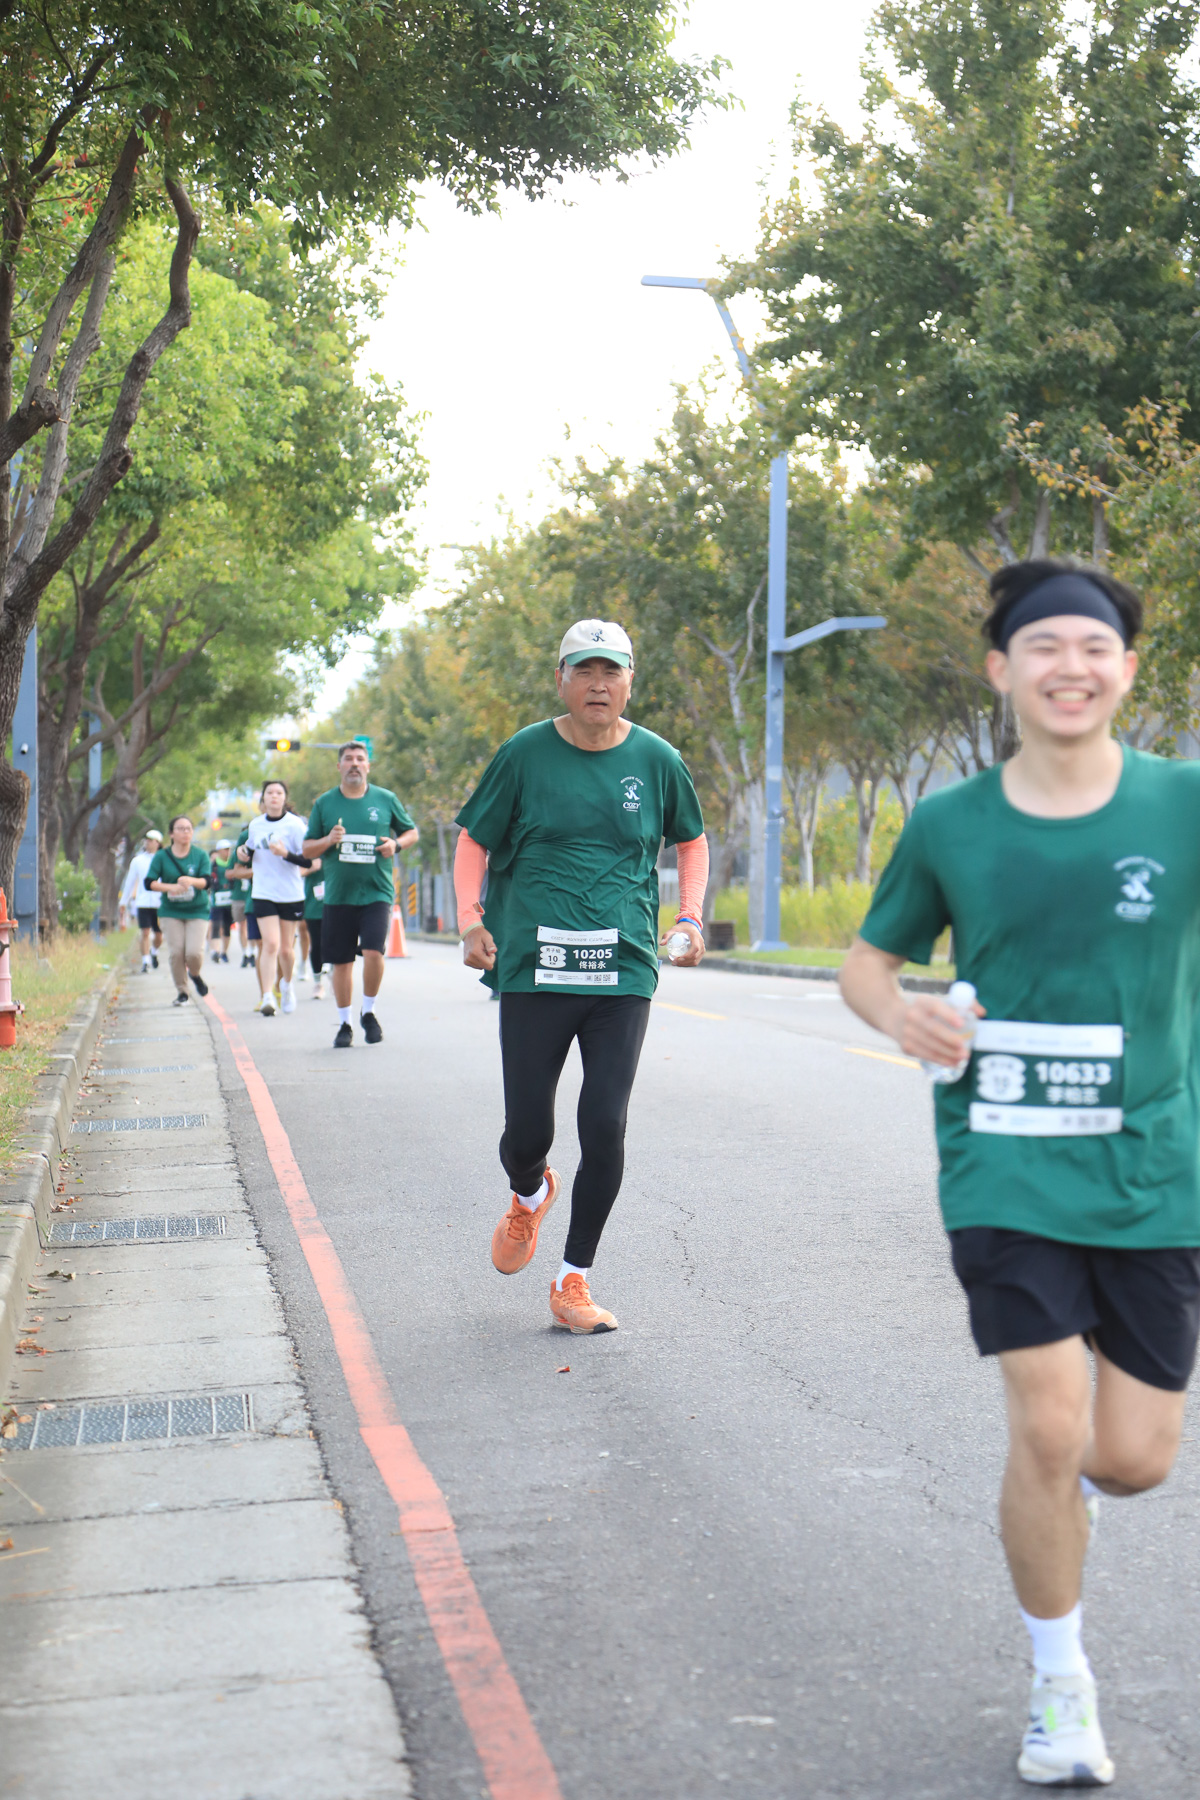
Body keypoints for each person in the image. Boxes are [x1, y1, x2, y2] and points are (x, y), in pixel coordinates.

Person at [839, 559, 1200, 1788]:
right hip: (1002, 1161)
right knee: (1047, 1425)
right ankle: (1061, 1687)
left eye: (1093, 648)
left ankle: (1060, 1503)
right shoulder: (952, 824)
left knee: (1133, 1457)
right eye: (1044, 646)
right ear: (1002, 670)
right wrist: (904, 1014)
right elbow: (869, 964)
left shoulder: (1182, 807)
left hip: (1154, 1171)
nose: (1070, 667)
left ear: (1128, 671)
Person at [453, 619, 709, 1335]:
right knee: (525, 1132)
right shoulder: (524, 754)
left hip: (621, 969)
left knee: (604, 1124)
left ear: (630, 681)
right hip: (534, 967)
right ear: (561, 679)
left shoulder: (657, 759)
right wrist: (472, 919)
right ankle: (529, 1193)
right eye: (585, 671)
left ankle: (574, 1279)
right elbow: (474, 840)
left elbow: (691, 840)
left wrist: (689, 918)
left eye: (612, 671)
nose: (599, 684)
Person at [304, 742, 419, 1047]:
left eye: (360, 759)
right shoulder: (324, 803)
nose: (354, 764)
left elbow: (411, 832)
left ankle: (369, 1011)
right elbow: (307, 849)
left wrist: (396, 845)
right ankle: (345, 1023)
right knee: (341, 963)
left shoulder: (385, 799)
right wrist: (328, 840)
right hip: (338, 896)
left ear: (368, 765)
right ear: (339, 766)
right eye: (348, 759)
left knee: (373, 952)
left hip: (376, 893)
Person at [236, 779, 309, 1018]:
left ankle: (286, 985)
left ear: (284, 798)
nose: (274, 796)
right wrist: (242, 853)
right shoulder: (255, 825)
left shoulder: (295, 825)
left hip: (290, 893)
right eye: (270, 792)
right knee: (270, 944)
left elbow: (308, 860)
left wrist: (285, 853)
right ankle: (267, 995)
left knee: (286, 950)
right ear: (263, 798)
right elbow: (248, 852)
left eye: (279, 792)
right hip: (263, 892)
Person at [146, 816, 212, 1006]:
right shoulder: (162, 856)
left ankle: (195, 974)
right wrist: (171, 888)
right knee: (176, 953)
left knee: (193, 953)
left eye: (189, 828)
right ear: (171, 833)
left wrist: (191, 881)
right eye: (181, 828)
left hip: (197, 910)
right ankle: (182, 991)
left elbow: (207, 881)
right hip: (171, 911)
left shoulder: (200, 855)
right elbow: (149, 883)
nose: (185, 832)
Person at [118, 828, 164, 971]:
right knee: (144, 932)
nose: (147, 843)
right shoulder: (138, 861)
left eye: (151, 841)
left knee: (159, 934)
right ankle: (145, 961)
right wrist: (123, 901)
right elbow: (130, 882)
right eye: (146, 840)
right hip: (143, 902)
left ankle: (154, 952)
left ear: (158, 843)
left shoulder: (163, 859)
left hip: (159, 902)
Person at [303, 855, 327, 999]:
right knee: (316, 944)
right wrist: (310, 868)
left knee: (333, 942)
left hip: (335, 902)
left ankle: (333, 973)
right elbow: (293, 872)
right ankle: (318, 983)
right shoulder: (308, 850)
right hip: (313, 904)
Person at [209, 840, 234, 963]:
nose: (227, 852)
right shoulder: (213, 865)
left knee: (227, 927)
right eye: (225, 849)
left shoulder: (233, 864)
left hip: (230, 900)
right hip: (217, 900)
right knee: (216, 925)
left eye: (229, 849)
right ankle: (215, 951)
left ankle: (224, 952)